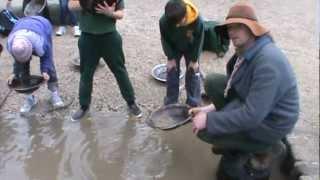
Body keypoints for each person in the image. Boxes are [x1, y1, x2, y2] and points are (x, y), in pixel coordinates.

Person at [189, 2, 299, 180]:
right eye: (230, 27)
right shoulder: (248, 49)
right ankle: (235, 141)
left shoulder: (268, 62)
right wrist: (210, 109)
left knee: (204, 130)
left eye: (238, 26)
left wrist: (210, 119)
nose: (232, 32)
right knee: (213, 82)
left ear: (252, 28)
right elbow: (238, 90)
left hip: (272, 122)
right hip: (259, 108)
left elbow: (252, 115)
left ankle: (266, 147)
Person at [71, 0, 142, 121]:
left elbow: (120, 14)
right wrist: (89, 3)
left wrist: (110, 13)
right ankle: (84, 106)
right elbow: (71, 6)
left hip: (110, 37)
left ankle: (131, 102)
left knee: (120, 70)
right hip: (87, 37)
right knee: (86, 73)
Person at [7, 16, 64, 113]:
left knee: (49, 67)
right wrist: (14, 73)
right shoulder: (11, 44)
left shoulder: (40, 43)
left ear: (31, 49)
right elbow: (17, 60)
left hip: (42, 25)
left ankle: (54, 94)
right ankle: (30, 99)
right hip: (21, 26)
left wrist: (45, 71)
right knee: (22, 69)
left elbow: (47, 58)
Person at [159, 0, 204, 107]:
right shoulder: (164, 21)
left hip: (191, 47)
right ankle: (171, 101)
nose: (178, 26)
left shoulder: (197, 20)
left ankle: (193, 101)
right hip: (174, 47)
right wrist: (170, 57)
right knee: (172, 70)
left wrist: (194, 59)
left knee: (193, 71)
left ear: (185, 15)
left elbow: (199, 40)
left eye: (180, 23)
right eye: (175, 24)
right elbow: (164, 39)